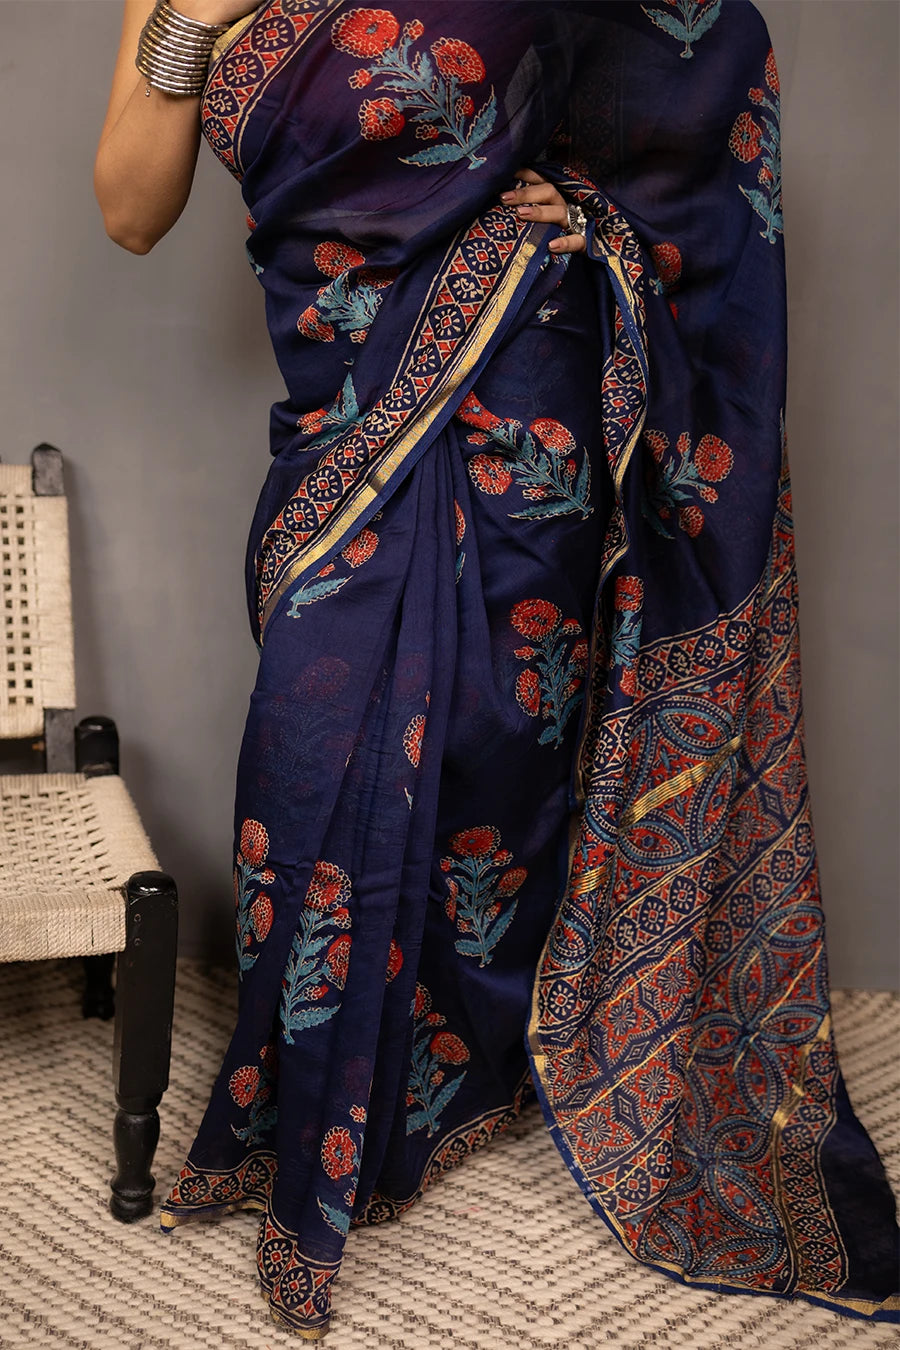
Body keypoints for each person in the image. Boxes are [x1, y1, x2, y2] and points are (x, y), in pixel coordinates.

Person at [95, 0, 900, 1337]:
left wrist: (572, 210)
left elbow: (684, 64)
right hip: (336, 408)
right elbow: (131, 207)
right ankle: (314, 1104)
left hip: (518, 374)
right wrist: (182, 19)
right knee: (312, 766)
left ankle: (458, 1081)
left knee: (496, 739)